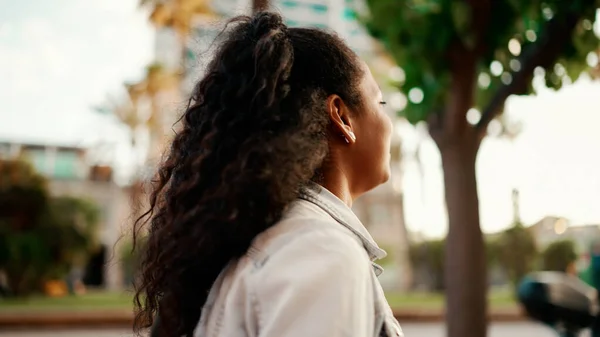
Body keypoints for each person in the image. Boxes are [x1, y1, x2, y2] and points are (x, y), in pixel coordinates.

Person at [133, 11, 403, 337]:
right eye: (381, 102)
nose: (389, 123)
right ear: (342, 116)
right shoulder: (322, 252)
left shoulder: (274, 237)